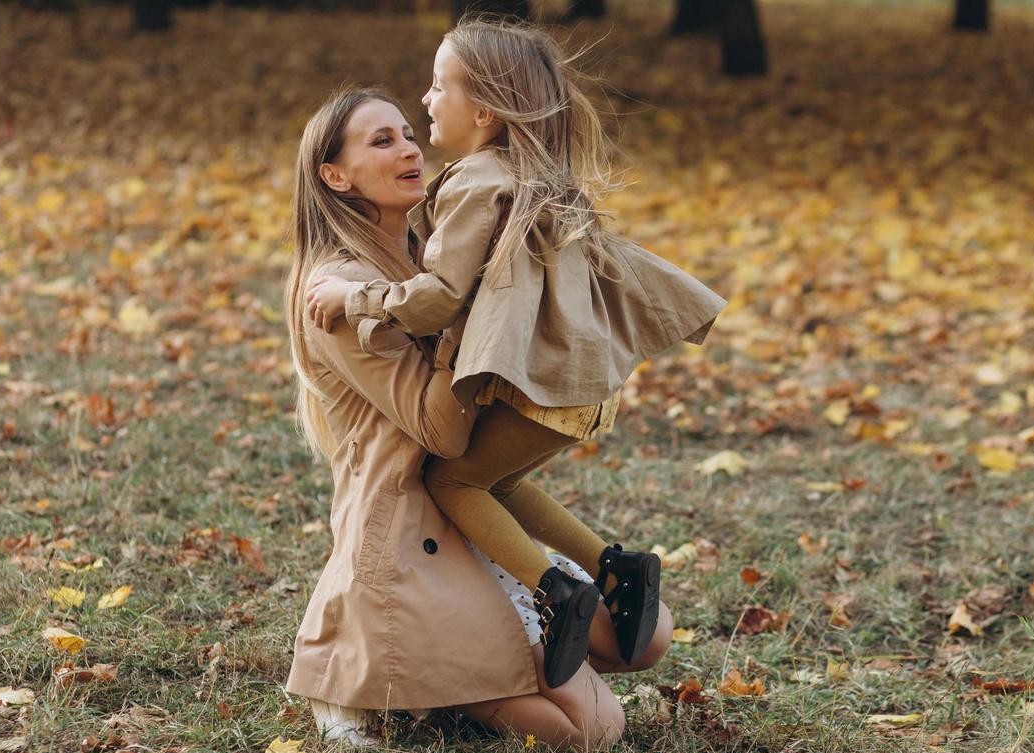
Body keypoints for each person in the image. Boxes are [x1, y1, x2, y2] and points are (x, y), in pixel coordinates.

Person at [306, 18, 725, 690]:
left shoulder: (476, 181)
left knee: (454, 481)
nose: (426, 101)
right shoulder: (528, 173)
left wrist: (357, 303)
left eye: (439, 88)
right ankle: (616, 567)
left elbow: (440, 295)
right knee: (494, 481)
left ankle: (559, 590)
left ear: (483, 111)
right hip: (579, 385)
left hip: (547, 384)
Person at [283, 87, 672, 753]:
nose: (408, 147)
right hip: (409, 523)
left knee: (648, 633)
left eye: (408, 132)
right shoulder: (337, 294)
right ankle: (404, 679)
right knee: (590, 732)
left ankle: (438, 672)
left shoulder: (434, 252)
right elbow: (443, 432)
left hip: (469, 502)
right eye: (381, 141)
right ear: (335, 177)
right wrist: (461, 319)